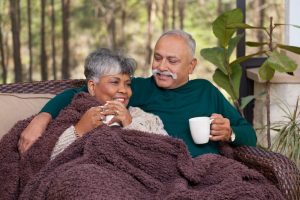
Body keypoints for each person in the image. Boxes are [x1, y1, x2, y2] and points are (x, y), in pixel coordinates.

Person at [19, 30, 257, 157]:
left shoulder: (206, 91)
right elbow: (77, 92)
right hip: (159, 167)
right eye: (158, 57)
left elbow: (250, 135)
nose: (162, 67)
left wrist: (230, 133)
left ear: (191, 66)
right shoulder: (137, 88)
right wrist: (42, 117)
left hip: (206, 167)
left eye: (172, 61)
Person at [49, 48, 167, 159]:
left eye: (128, 84)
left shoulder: (145, 119)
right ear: (92, 86)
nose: (124, 90)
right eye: (115, 82)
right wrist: (79, 130)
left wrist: (130, 124)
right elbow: (48, 159)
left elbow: (166, 155)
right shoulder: (72, 114)